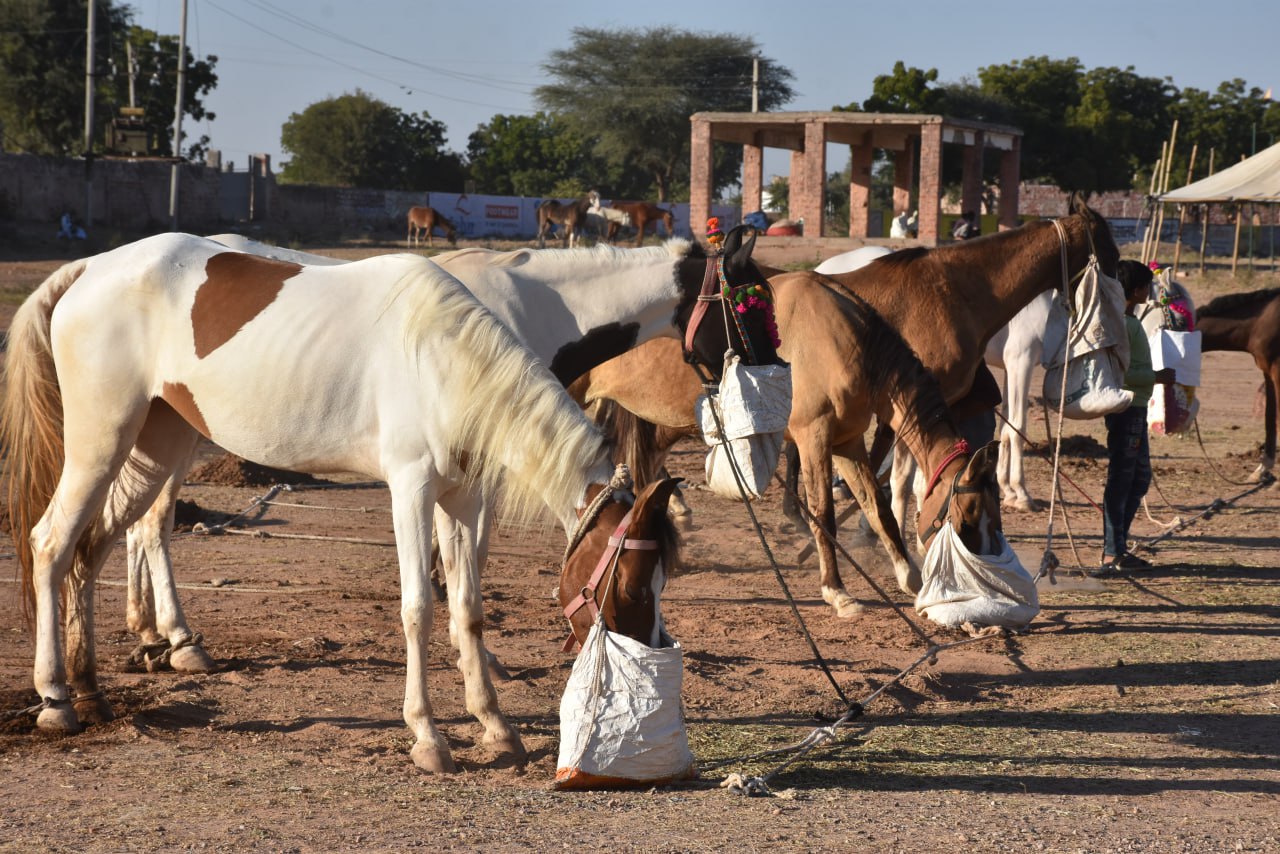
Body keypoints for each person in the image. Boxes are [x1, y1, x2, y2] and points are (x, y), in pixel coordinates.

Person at [1092, 259, 1175, 577]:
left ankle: (1118, 547)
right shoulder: (1125, 325)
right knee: (1124, 478)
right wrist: (1158, 376)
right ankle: (1112, 552)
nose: (1150, 292)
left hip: (1134, 408)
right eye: (1148, 287)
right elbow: (1122, 373)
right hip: (1128, 409)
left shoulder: (1125, 321)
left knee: (1137, 478)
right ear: (1139, 290)